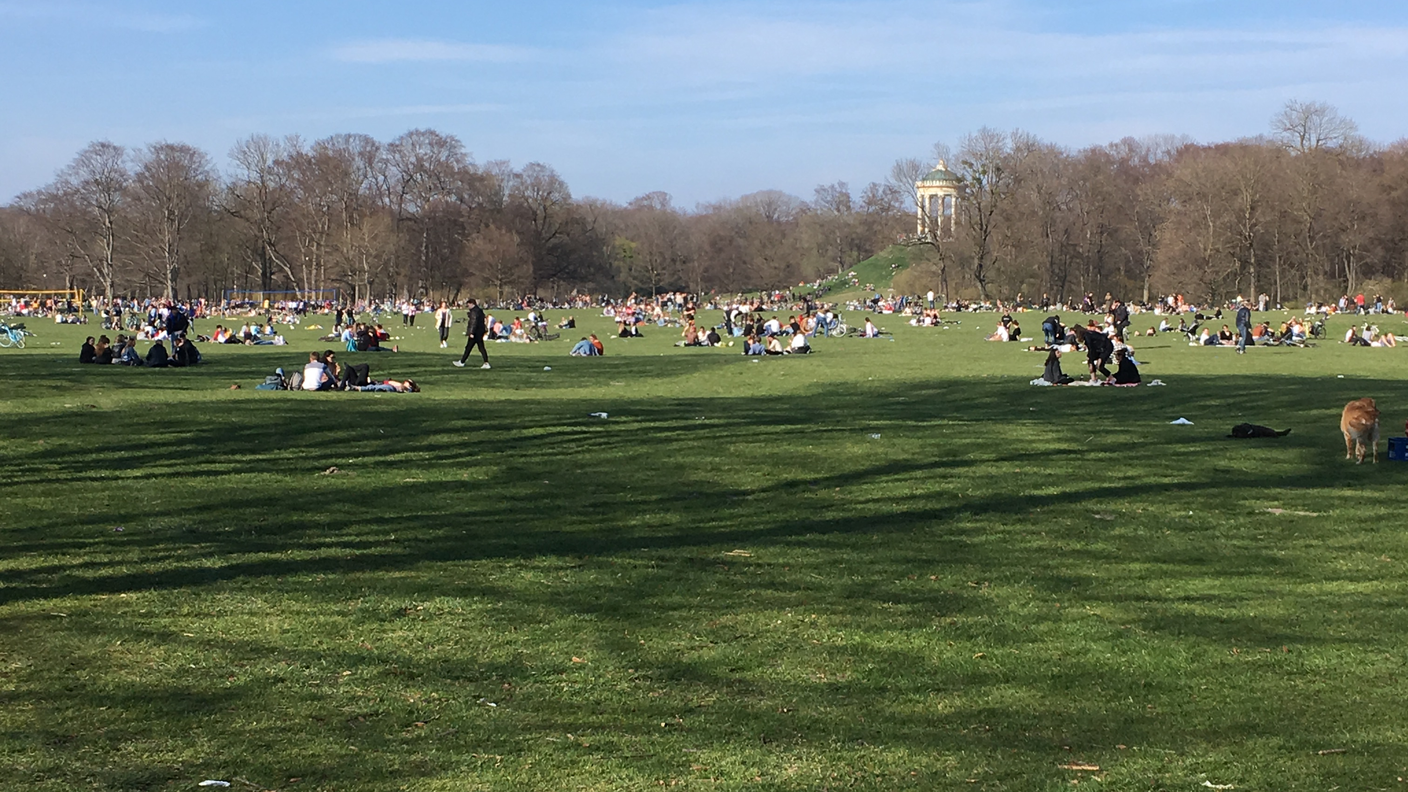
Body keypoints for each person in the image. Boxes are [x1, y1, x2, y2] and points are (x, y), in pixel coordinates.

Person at [454, 299, 490, 369]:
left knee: (468, 348)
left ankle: (462, 362)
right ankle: (486, 362)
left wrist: (471, 332)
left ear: (471, 304)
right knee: (481, 348)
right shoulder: (479, 310)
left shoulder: (474, 311)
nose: (468, 307)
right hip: (480, 332)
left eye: (468, 305)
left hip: (475, 333)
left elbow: (474, 323)